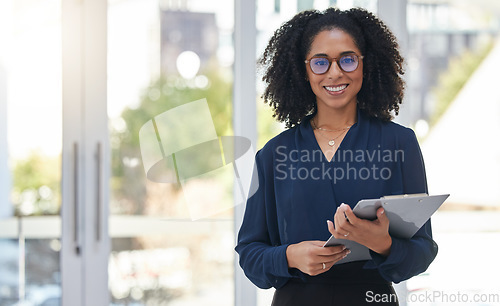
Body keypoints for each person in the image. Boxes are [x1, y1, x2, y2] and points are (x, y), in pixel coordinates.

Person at [235, 7, 438, 306]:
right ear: (303, 70)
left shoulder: (399, 142)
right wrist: (290, 256)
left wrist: (381, 243)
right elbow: (250, 252)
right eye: (320, 62)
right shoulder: (275, 154)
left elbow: (422, 251)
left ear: (365, 65)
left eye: (347, 59)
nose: (335, 72)